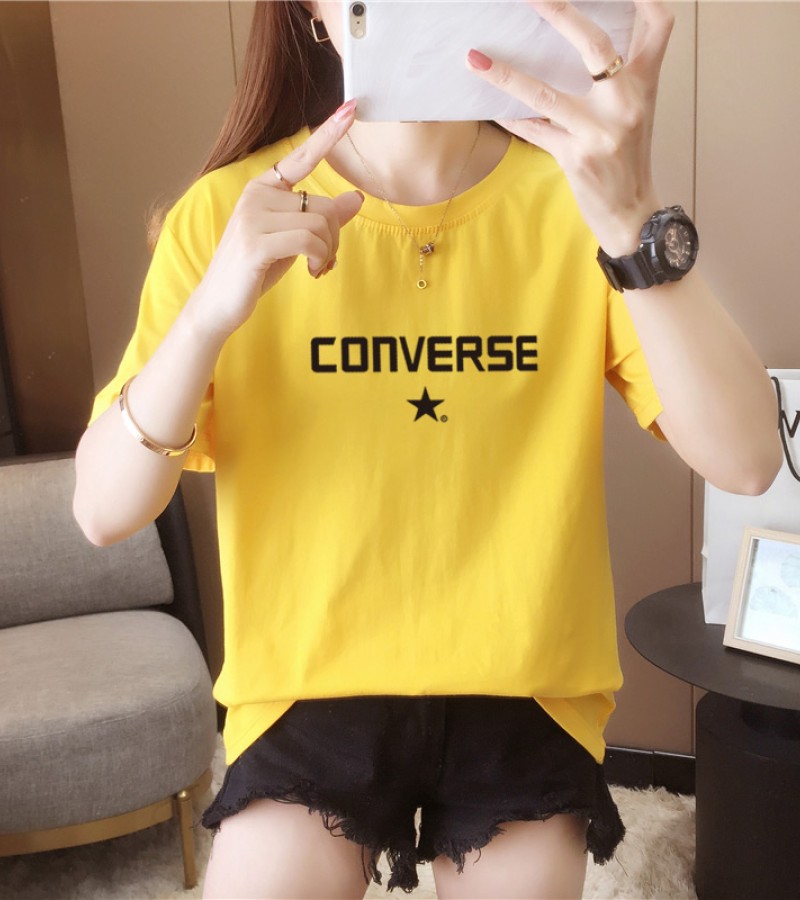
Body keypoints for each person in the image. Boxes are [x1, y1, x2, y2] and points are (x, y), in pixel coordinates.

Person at [73, 1, 781, 897]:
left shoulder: (576, 200)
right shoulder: (233, 213)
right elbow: (103, 511)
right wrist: (210, 315)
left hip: (524, 683)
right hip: (307, 685)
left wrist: (632, 213)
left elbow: (749, 459)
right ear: (314, 14)